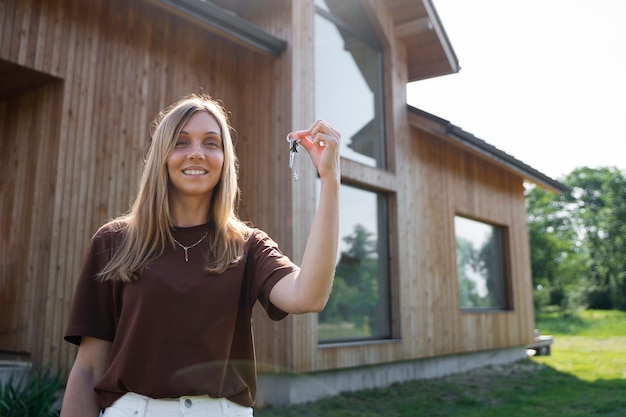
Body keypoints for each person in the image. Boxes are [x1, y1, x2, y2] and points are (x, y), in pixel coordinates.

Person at [60, 93, 340, 417]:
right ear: (162, 156)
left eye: (211, 143)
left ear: (224, 158)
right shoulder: (113, 242)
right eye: (181, 142)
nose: (196, 154)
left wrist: (330, 181)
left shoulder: (248, 246)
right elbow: (88, 370)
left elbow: (309, 296)